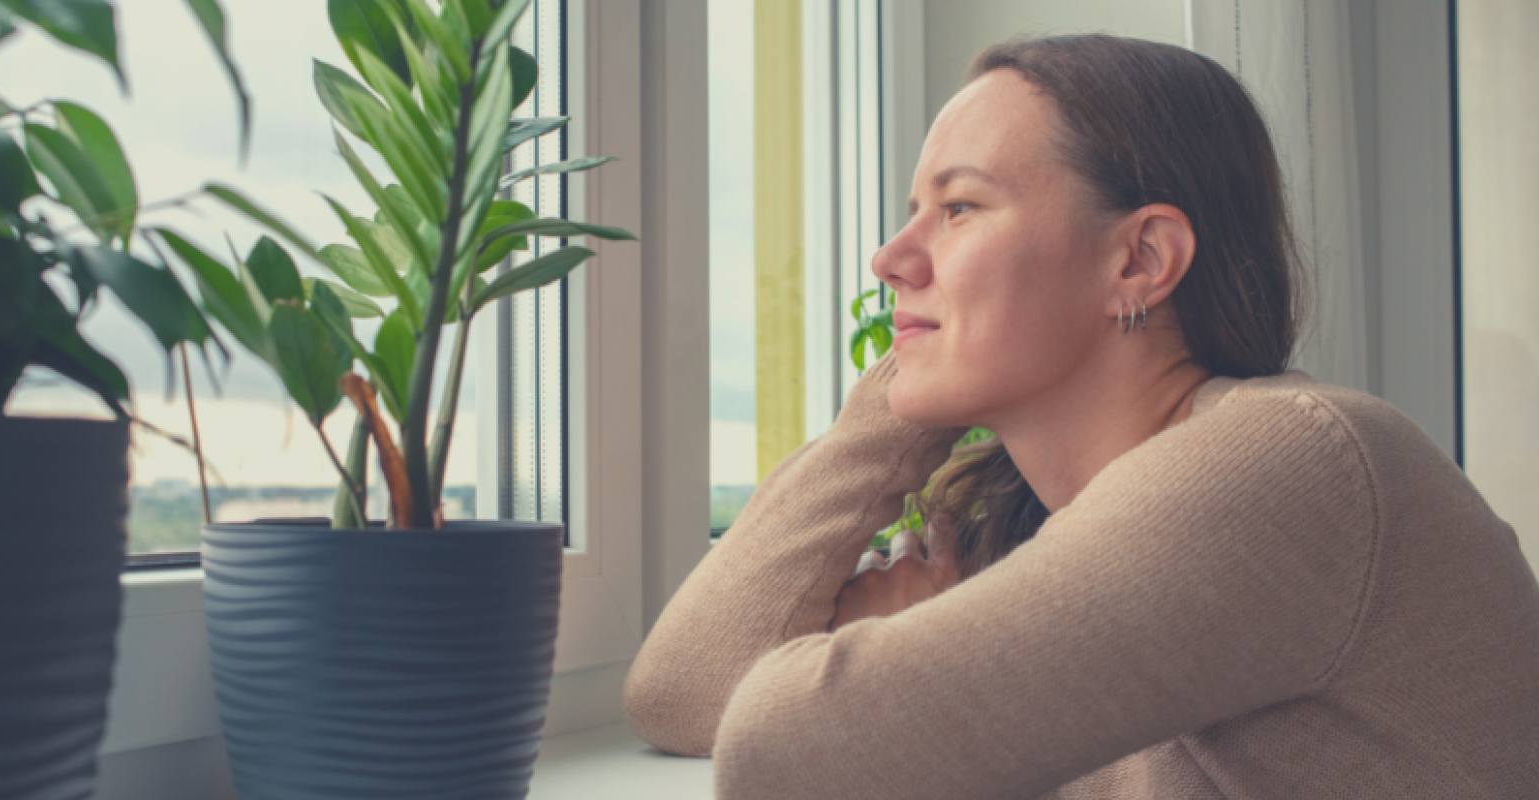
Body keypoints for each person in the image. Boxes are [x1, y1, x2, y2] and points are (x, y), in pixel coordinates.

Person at [623, 34, 1539, 799]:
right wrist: (905, 402)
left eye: (959, 208)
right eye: (912, 214)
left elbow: (778, 754)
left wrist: (890, 646)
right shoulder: (1040, 527)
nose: (890, 256)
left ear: (1140, 259)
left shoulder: (1289, 463)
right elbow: (684, 691)